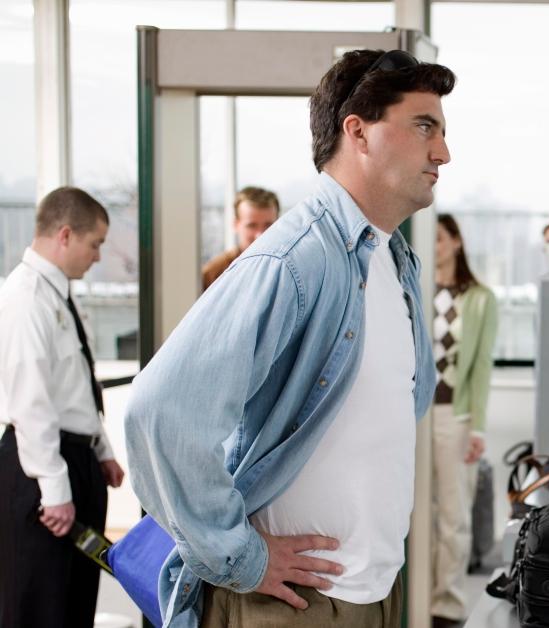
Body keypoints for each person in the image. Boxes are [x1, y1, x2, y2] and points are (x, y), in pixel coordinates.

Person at [125, 48, 454, 627]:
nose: (443, 152)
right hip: (292, 605)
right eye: (424, 126)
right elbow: (161, 414)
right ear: (359, 132)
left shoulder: (391, 259)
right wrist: (240, 558)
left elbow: (403, 402)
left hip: (372, 592)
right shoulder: (294, 260)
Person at [0, 186, 126, 627]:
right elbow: (30, 402)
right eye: (96, 244)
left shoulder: (59, 296)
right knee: (39, 604)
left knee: (74, 600)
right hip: (42, 469)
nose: (97, 256)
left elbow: (73, 387)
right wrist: (55, 491)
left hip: (75, 458)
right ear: (66, 235)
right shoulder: (27, 297)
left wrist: (102, 449)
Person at [429, 213, 498, 628]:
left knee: (454, 516)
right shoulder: (415, 289)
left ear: (455, 242)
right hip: (415, 416)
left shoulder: (479, 298)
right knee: (417, 513)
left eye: (439, 239)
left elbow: (482, 368)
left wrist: (477, 427)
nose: (434, 247)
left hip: (455, 415)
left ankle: (447, 606)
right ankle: (418, 597)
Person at [201, 186, 281, 290]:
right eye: (251, 226)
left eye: (268, 225)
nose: (260, 235)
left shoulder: (290, 270)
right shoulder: (212, 275)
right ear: (236, 225)